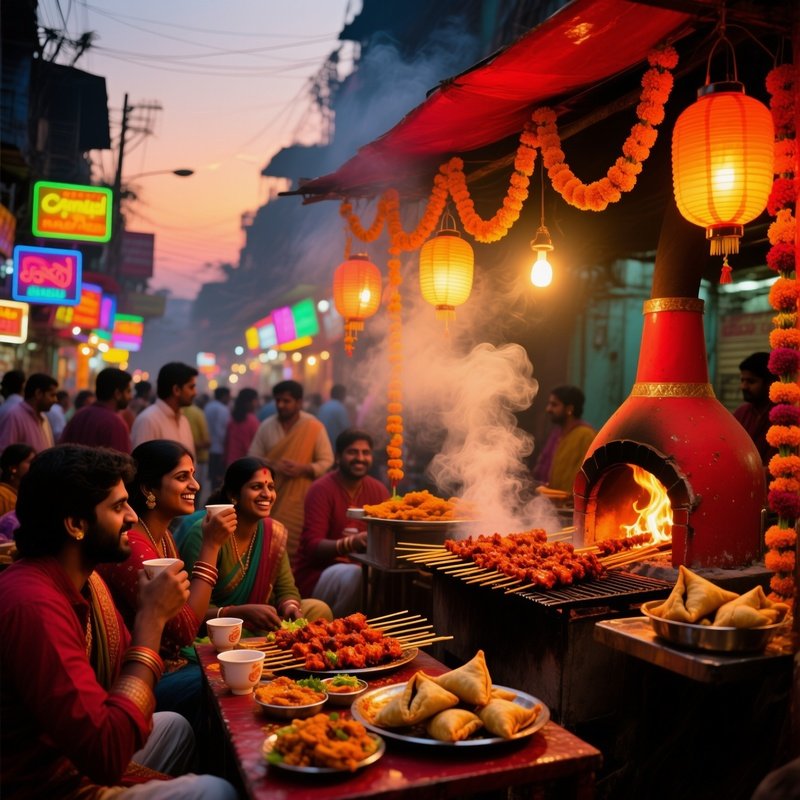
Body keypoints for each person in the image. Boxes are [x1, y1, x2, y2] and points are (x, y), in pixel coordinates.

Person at [0, 444, 236, 798]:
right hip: (47, 780)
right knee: (214, 791)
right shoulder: (34, 604)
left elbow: (120, 665)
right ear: (76, 524)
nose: (130, 516)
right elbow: (105, 755)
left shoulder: (86, 581)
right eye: (117, 506)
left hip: (77, 747)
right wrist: (152, 621)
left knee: (175, 727)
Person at [98, 440, 236, 723]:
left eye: (193, 475)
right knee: (220, 685)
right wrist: (211, 546)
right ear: (149, 489)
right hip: (141, 676)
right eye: (182, 477)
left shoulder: (161, 536)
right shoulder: (135, 546)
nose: (195, 486)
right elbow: (185, 629)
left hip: (171, 664)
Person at [179, 457, 332, 633]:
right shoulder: (206, 532)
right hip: (218, 625)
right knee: (237, 633)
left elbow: (286, 587)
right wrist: (238, 613)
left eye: (271, 487)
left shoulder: (273, 532)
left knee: (318, 609)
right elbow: (192, 610)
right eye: (256, 487)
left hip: (262, 617)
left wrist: (290, 606)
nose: (267, 494)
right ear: (234, 495)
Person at [294, 429, 390, 617]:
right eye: (353, 452)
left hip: (366, 575)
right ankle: (340, 634)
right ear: (338, 457)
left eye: (365, 453)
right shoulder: (321, 489)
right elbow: (312, 547)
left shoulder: (379, 490)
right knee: (355, 575)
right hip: (319, 574)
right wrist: (351, 543)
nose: (360, 458)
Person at [248, 380, 334, 558]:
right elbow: (252, 457)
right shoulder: (267, 426)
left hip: (302, 500)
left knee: (296, 550)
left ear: (299, 402)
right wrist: (272, 465)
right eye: (278, 400)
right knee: (268, 548)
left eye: (286, 401)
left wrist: (304, 468)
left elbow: (327, 460)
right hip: (271, 499)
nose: (281, 405)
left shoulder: (313, 426)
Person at [532, 385, 596, 494]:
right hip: (550, 503)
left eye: (554, 405)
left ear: (569, 409)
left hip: (570, 506)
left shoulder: (585, 435)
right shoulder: (556, 433)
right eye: (549, 404)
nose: (548, 409)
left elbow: (586, 477)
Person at [61, 367, 133, 453]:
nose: (130, 397)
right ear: (117, 394)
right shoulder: (115, 423)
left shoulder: (79, 415)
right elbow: (122, 463)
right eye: (128, 392)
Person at [131, 363, 197, 457]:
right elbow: (140, 465)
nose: (195, 393)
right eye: (191, 387)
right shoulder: (148, 420)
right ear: (176, 390)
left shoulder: (183, 420)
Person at [733, 351, 776, 466]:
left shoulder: (781, 416)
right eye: (742, 380)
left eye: (751, 381)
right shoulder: (740, 413)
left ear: (770, 382)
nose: (743, 386)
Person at [0, 372, 58, 456]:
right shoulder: (13, 416)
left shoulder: (43, 418)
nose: (55, 400)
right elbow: (5, 453)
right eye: (52, 395)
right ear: (38, 393)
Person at [182, 399, 211, 505]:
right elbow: (207, 441)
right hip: (199, 459)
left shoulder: (178, 413)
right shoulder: (198, 413)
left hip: (182, 461)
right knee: (196, 487)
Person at [204, 386, 231, 494]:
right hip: (219, 448)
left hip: (210, 448)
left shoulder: (208, 406)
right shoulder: (223, 409)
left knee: (213, 478)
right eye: (228, 396)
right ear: (224, 396)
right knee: (219, 478)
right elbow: (221, 430)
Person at [225, 387, 260, 467]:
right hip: (246, 463)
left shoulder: (233, 419)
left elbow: (227, 443)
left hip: (231, 461)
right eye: (255, 400)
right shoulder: (252, 421)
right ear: (249, 402)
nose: (257, 404)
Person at [0, 443, 35, 516]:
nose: (35, 465)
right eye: (30, 462)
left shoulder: (28, 492)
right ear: (13, 468)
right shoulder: (2, 495)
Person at [317, 384, 352, 450]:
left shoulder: (324, 406)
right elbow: (346, 428)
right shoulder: (340, 408)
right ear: (342, 395)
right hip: (333, 445)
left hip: (321, 443)